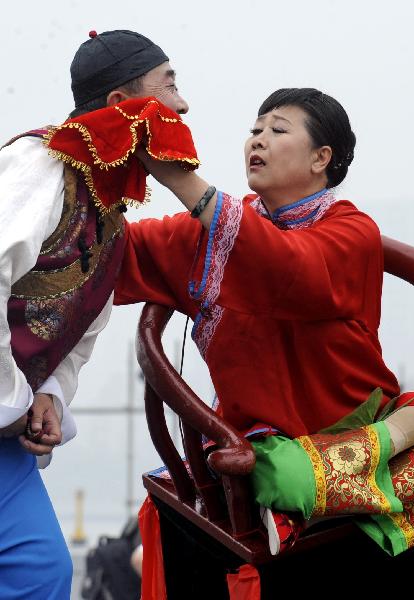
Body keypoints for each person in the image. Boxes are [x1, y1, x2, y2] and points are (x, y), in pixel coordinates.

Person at [114, 85, 414, 566]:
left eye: (277, 130)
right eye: (254, 130)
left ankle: (368, 459)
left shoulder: (351, 230)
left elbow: (290, 270)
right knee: (283, 480)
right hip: (271, 444)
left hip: (361, 419)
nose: (258, 140)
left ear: (321, 158)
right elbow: (110, 256)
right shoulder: (204, 232)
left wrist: (183, 182)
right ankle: (386, 458)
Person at [0, 29, 190, 599]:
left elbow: (82, 325)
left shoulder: (108, 209)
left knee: (40, 573)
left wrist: (51, 394)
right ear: (120, 108)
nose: (183, 104)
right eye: (169, 84)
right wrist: (12, 397)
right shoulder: (40, 163)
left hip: (5, 427)